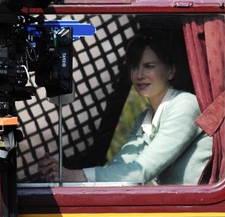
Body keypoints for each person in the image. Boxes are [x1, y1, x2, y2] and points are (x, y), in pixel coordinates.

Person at [38, 31, 213, 185]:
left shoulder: (185, 105)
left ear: (171, 71)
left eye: (149, 66)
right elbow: (122, 169)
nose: (139, 75)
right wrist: (62, 173)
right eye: (134, 67)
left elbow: (140, 171)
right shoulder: (144, 118)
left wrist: (75, 175)